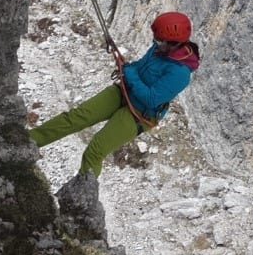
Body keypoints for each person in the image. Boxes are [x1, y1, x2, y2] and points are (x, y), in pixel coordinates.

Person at [29, 11, 200, 177]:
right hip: (124, 91)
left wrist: (130, 73)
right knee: (75, 117)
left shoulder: (180, 73)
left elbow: (151, 98)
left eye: (160, 41)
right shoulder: (159, 48)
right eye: (155, 38)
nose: (156, 43)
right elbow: (141, 65)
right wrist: (129, 68)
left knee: (95, 150)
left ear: (174, 43)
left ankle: (80, 197)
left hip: (140, 114)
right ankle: (28, 141)